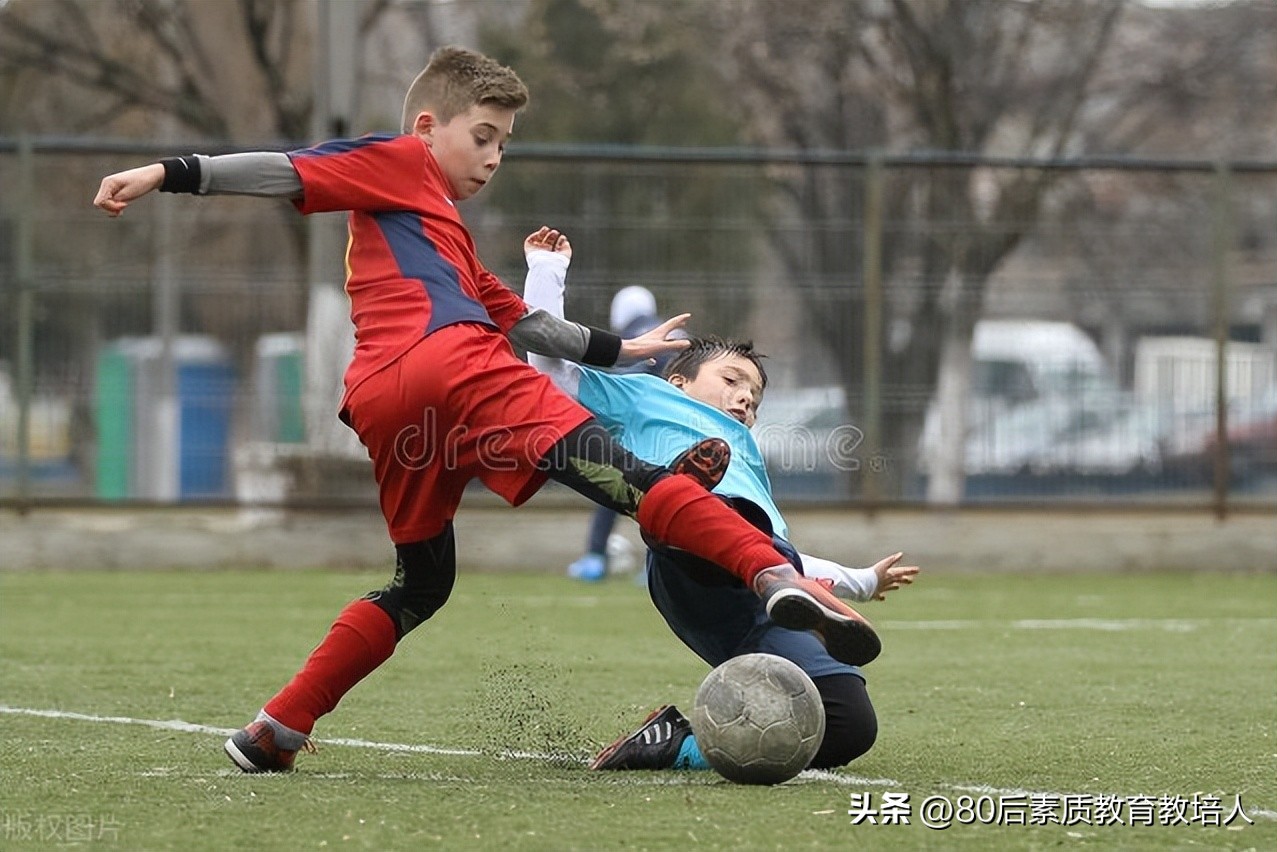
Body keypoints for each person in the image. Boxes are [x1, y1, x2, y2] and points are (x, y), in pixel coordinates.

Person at [92, 45, 879, 774]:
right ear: (429, 127)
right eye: (484, 136)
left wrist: (624, 351)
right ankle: (773, 572)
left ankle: (276, 729)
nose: (494, 157)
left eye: (504, 144)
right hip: (455, 366)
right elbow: (289, 169)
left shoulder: (441, 237)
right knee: (640, 483)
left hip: (386, 407)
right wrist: (169, 171)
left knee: (419, 583)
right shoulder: (399, 160)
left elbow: (527, 321)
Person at [522, 227, 919, 773]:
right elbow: (550, 371)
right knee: (709, 517)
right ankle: (679, 499)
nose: (744, 398)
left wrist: (863, 581)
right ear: (680, 382)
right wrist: (547, 270)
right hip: (689, 564)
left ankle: (673, 743)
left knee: (850, 726)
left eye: (753, 397)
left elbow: (782, 557)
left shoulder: (748, 460)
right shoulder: (648, 394)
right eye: (732, 380)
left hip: (757, 586)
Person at [567, 285, 671, 581]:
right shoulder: (669, 331)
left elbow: (627, 388)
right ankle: (662, 565)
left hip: (649, 425)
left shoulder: (635, 339)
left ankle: (596, 558)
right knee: (674, 493)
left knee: (616, 484)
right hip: (684, 424)